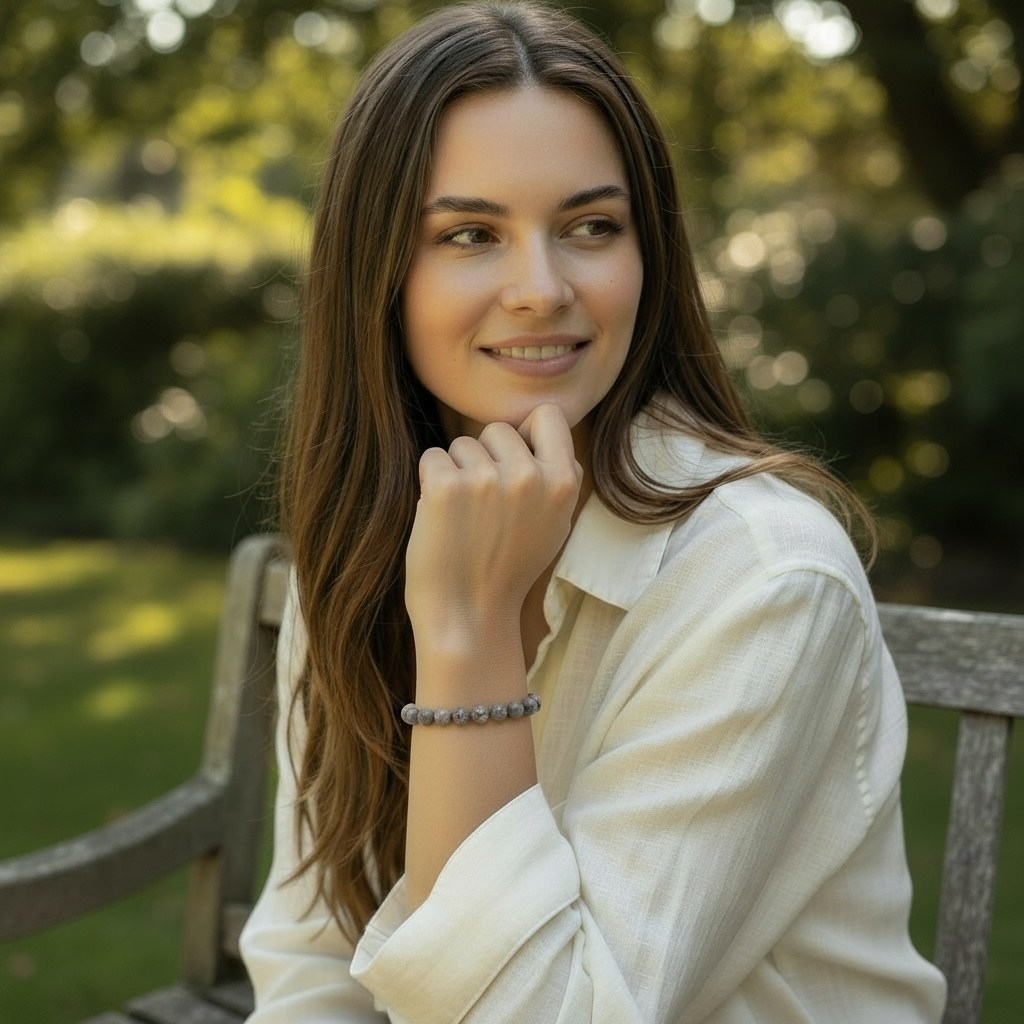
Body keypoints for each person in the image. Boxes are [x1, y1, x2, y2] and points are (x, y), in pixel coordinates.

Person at [239, 3, 947, 1021]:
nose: (542, 288)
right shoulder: (372, 530)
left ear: (645, 254)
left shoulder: (762, 577)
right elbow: (311, 956)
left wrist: (467, 632)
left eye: (590, 227)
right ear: (375, 273)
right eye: (470, 234)